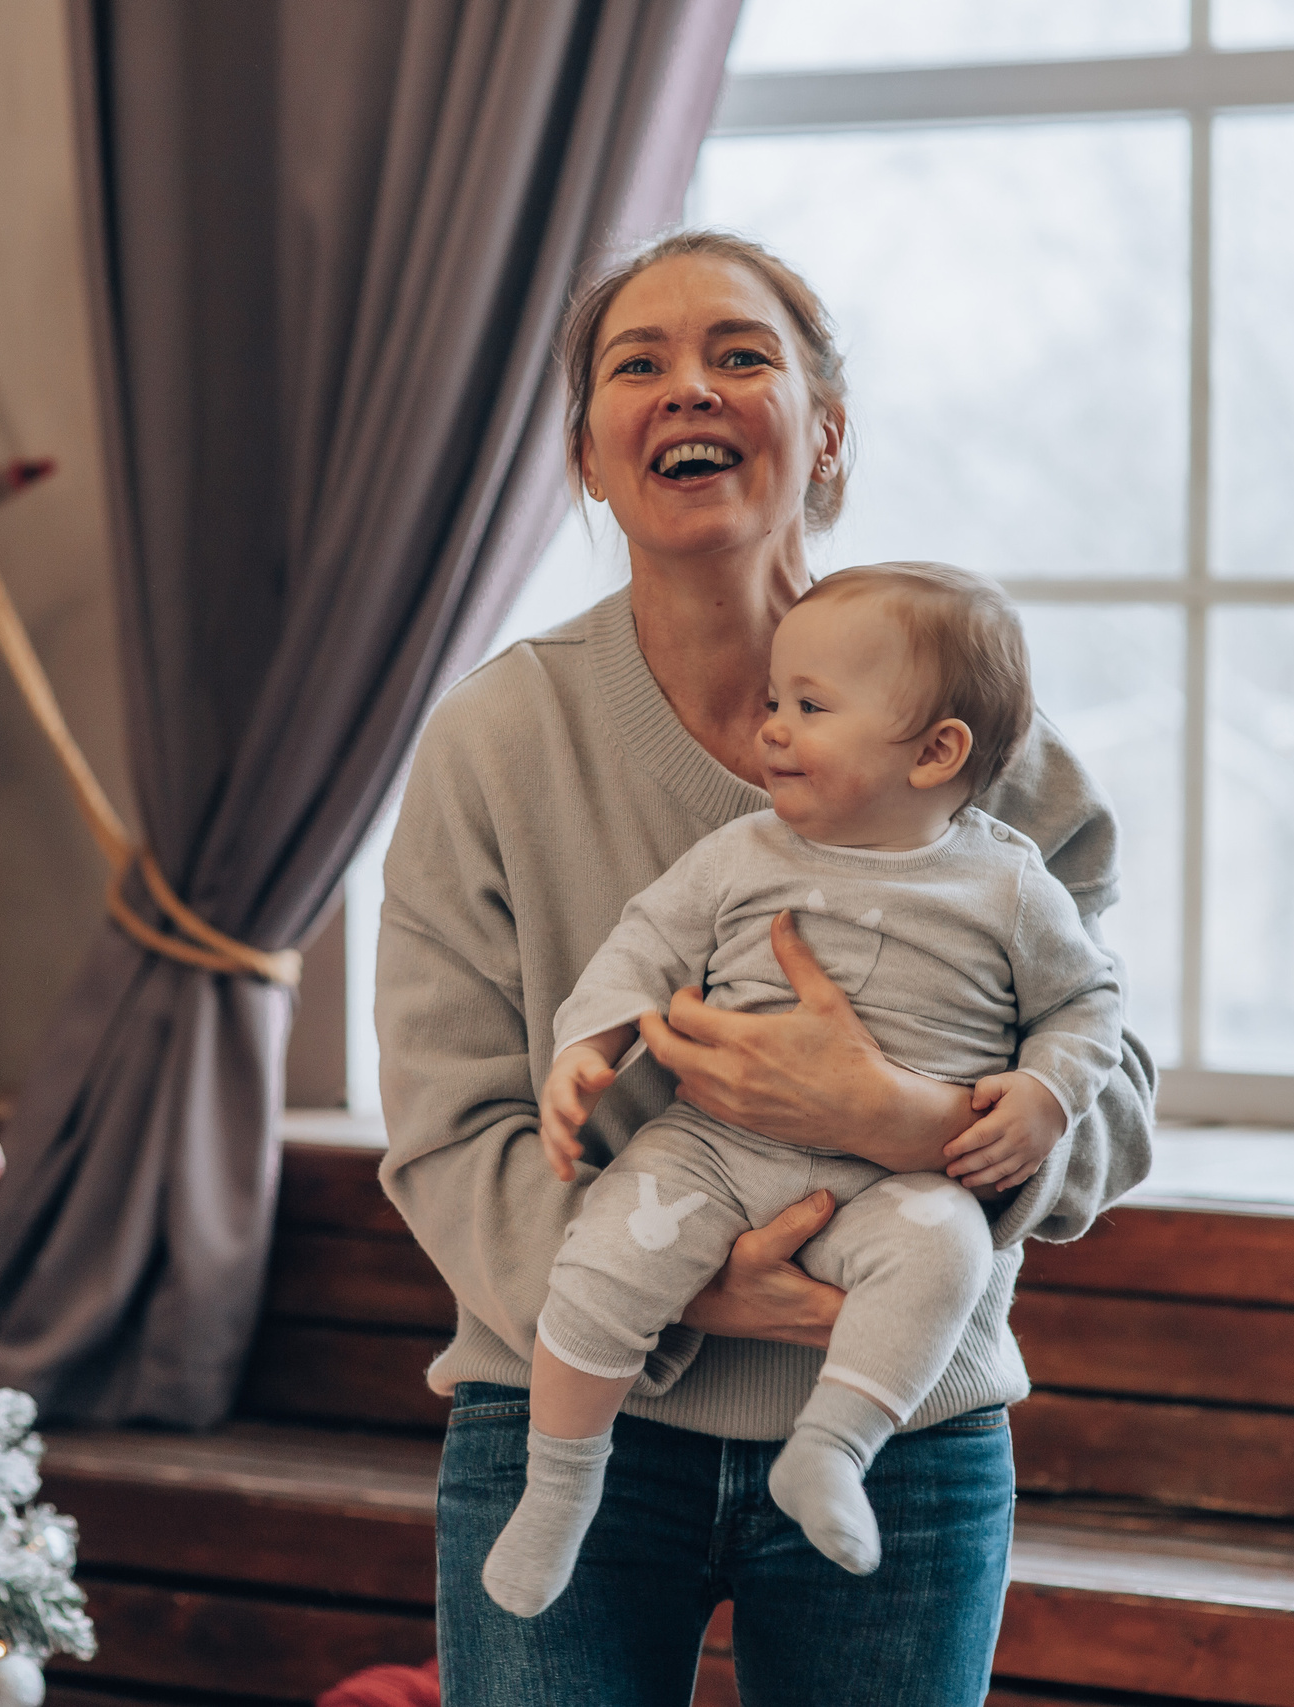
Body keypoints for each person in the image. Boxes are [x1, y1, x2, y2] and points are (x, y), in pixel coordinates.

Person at [377, 229, 1157, 1707]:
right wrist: (687, 1292)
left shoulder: (985, 745)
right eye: (638, 363)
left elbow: (1114, 1106)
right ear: (590, 457)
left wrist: (911, 1123)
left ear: (827, 433)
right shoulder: (493, 740)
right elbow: (448, 1129)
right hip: (566, 1407)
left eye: (743, 354)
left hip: (902, 1440)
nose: (692, 388)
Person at [483, 562, 1124, 1617]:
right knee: (607, 1250)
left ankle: (829, 1448)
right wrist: (583, 1051)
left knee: (950, 1249)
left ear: (934, 752)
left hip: (887, 1189)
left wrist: (1044, 1097)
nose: (771, 728)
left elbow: (1088, 1004)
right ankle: (559, 1484)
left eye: (808, 708)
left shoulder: (1008, 887)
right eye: (775, 702)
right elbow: (643, 947)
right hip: (713, 1153)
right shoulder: (740, 855)